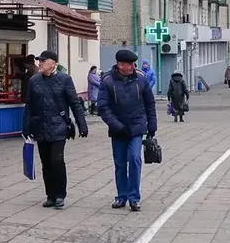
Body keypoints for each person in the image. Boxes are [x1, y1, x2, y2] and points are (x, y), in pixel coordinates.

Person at [22, 50, 88, 209]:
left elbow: (74, 103)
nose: (40, 63)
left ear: (54, 63)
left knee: (56, 160)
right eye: (39, 61)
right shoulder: (34, 81)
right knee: (45, 162)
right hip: (40, 126)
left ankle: (60, 195)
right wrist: (26, 127)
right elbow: (29, 105)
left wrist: (82, 125)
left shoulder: (64, 80)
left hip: (59, 126)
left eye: (44, 61)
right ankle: (50, 195)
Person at [98, 49, 157, 212]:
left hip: (136, 127)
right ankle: (121, 196)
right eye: (129, 64)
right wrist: (117, 126)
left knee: (135, 159)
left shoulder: (141, 79)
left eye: (132, 64)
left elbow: (149, 104)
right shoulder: (108, 81)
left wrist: (152, 125)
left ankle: (134, 198)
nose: (132, 67)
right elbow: (103, 107)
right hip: (118, 128)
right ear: (120, 65)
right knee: (120, 163)